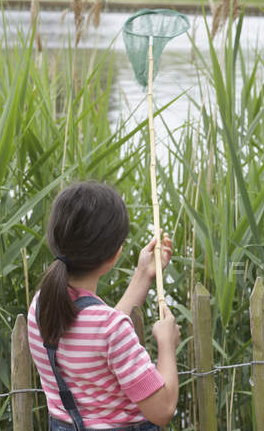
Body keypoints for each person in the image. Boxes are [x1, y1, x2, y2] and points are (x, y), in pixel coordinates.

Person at [27, 181, 181, 430]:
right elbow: (163, 410)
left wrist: (143, 275)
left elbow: (99, 337)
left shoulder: (40, 305)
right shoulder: (109, 328)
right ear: (115, 255)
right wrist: (166, 345)